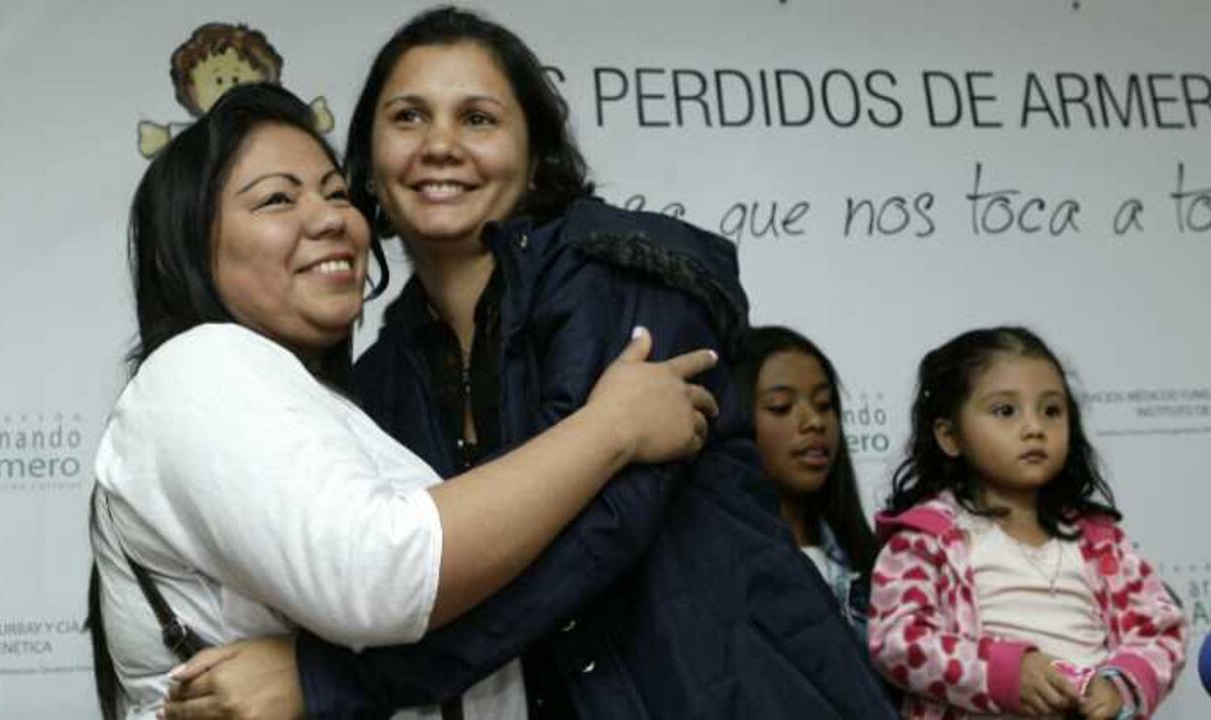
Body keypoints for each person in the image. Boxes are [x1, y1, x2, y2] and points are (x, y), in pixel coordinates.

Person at [163, 7, 896, 720]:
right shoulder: (382, 374)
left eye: (477, 119)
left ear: (536, 152)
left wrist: (324, 683)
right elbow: (414, 582)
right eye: (408, 117)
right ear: (367, 164)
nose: (440, 145)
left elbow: (591, 543)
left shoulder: (619, 275)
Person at [87, 81, 721, 719]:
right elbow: (380, 575)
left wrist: (314, 679)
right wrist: (610, 429)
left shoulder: (334, 402)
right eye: (277, 198)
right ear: (186, 251)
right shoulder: (200, 365)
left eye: (336, 192)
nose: (333, 216)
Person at [868, 326, 1187, 720]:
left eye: (1051, 410)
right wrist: (1005, 674)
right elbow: (899, 641)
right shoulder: (925, 539)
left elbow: (1160, 628)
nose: (1035, 427)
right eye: (1005, 411)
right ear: (950, 436)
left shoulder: (1100, 541)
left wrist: (1119, 684)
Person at [732, 326, 878, 640]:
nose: (814, 421)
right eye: (781, 406)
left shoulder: (879, 564)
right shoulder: (721, 569)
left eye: (825, 404)